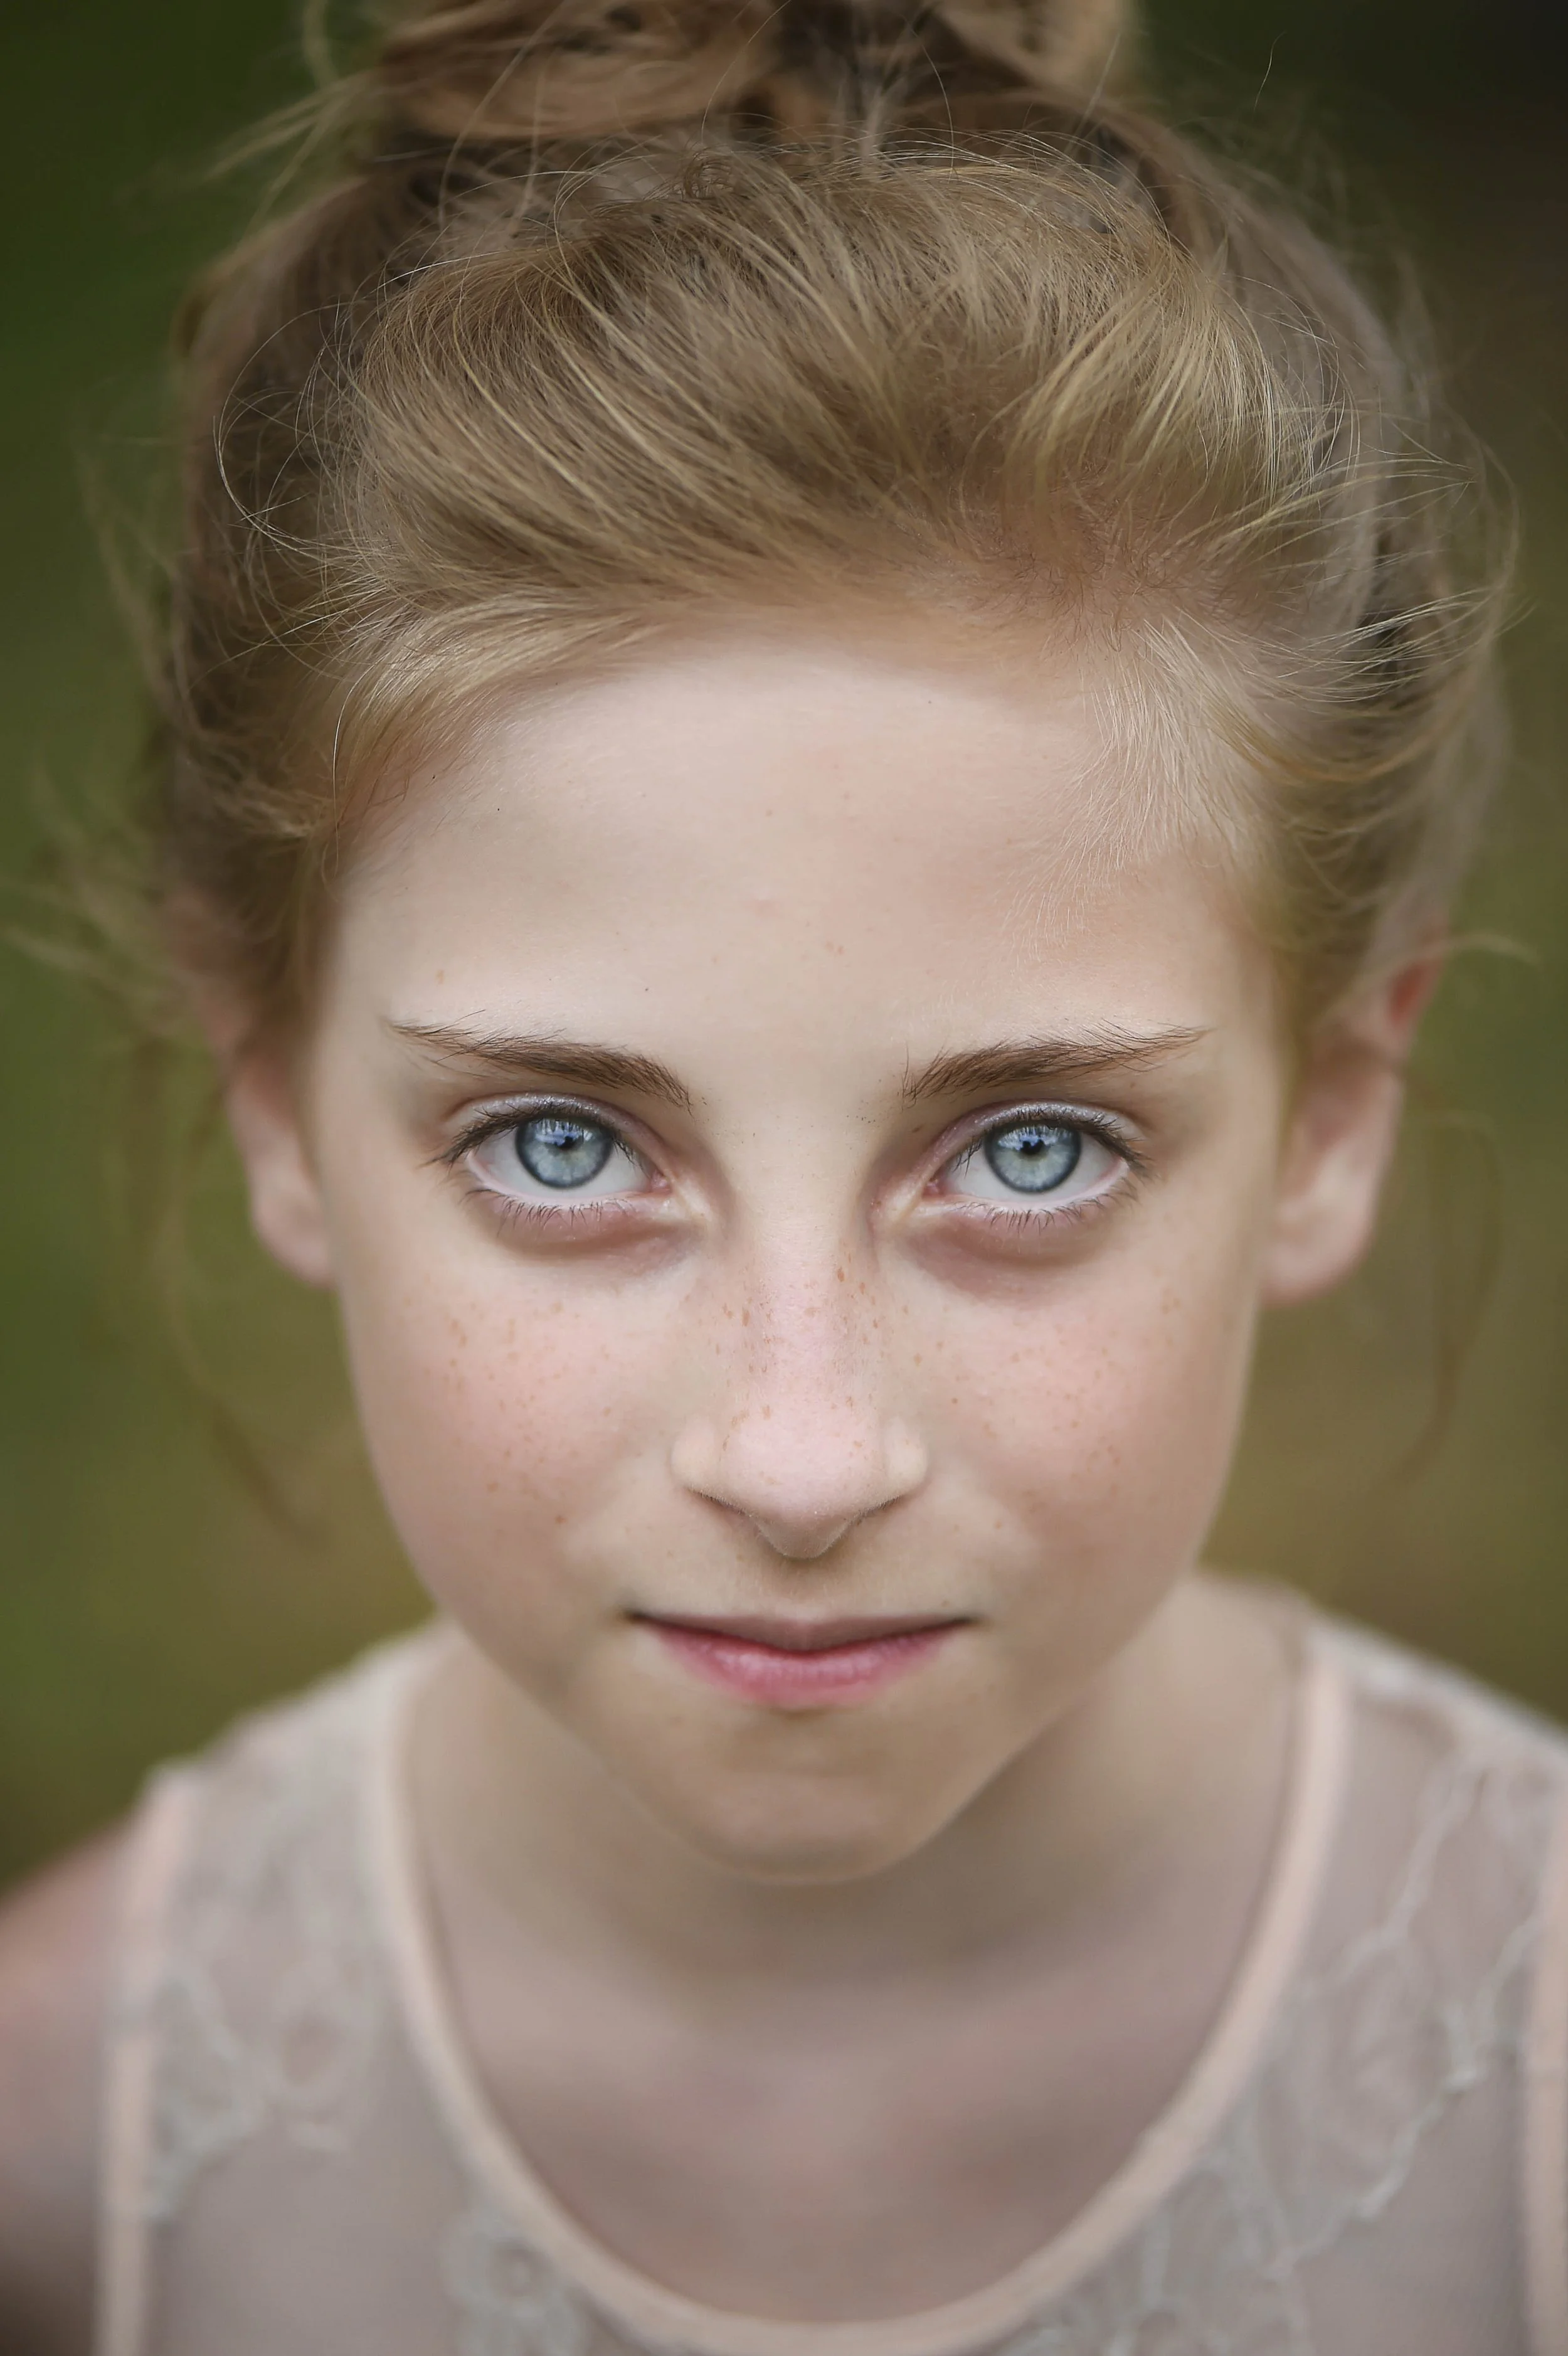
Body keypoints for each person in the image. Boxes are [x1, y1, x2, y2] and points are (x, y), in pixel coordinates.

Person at [1, 0, 1563, 2347]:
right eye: (560, 1142)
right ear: (269, 1099)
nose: (801, 1451)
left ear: (1332, 1110)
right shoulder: (65, 2148)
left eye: (1027, 1149)